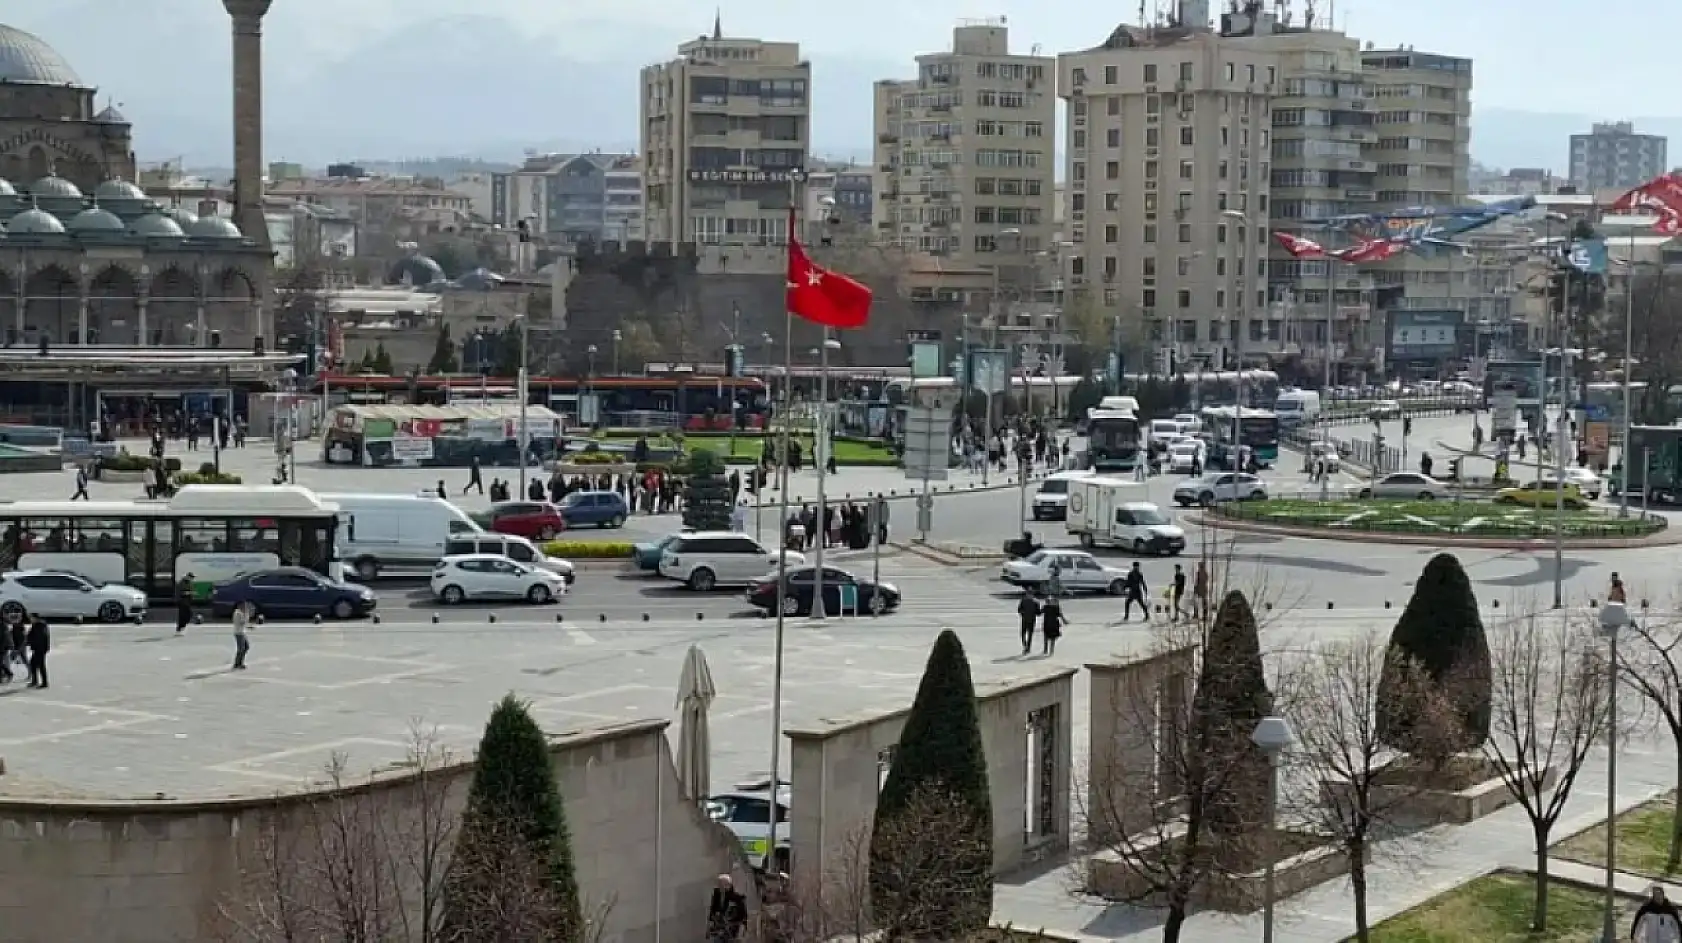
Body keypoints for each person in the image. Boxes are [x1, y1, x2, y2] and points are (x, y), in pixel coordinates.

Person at [707, 874, 748, 942]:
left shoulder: (736, 898)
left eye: (721, 884)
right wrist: (710, 926)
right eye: (719, 884)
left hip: (731, 930)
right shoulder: (717, 895)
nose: (719, 886)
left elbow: (742, 916)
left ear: (727, 885)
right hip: (718, 929)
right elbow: (712, 911)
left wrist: (740, 931)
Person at [25, 613, 48, 689]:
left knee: (41, 666)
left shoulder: (40, 626)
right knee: (33, 664)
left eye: (31, 618)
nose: (30, 619)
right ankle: (35, 681)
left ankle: (44, 683)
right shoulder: (36, 625)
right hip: (37, 649)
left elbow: (39, 638)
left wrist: (30, 642)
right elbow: (30, 635)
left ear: (35, 618)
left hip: (40, 649)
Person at [1017, 592, 1042, 656]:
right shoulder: (1034, 602)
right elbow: (1038, 613)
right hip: (1028, 619)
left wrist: (1023, 613)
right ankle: (1026, 646)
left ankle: (1026, 647)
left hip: (1027, 619)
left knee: (1026, 634)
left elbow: (1019, 610)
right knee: (1025, 634)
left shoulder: (1025, 601)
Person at [231, 602, 252, 670]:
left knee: (246, 647)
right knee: (241, 649)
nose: (246, 608)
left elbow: (244, 623)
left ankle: (240, 662)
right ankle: (237, 663)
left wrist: (249, 626)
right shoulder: (238, 613)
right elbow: (242, 622)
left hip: (242, 632)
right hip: (239, 633)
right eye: (244, 606)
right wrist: (247, 615)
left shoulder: (241, 613)